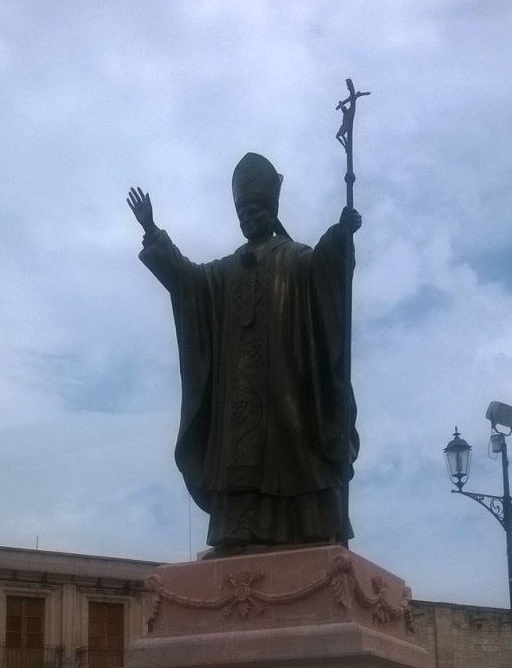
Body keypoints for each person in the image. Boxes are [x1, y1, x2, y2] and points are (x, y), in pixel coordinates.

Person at [127, 152, 360, 549]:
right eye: (243, 213)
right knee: (240, 461)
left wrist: (338, 238)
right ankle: (240, 531)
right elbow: (188, 282)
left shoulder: (295, 258)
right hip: (239, 399)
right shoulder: (225, 271)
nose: (250, 218)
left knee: (296, 457)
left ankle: (309, 527)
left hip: (287, 388)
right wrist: (153, 231)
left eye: (256, 211)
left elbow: (324, 269)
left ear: (271, 212)